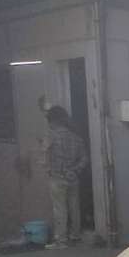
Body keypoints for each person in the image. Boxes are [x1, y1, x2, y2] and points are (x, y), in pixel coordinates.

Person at [42, 106, 88, 249]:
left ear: (53, 121)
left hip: (57, 177)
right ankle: (76, 237)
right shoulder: (76, 137)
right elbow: (85, 159)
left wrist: (48, 168)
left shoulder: (51, 136)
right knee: (74, 208)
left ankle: (61, 241)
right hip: (73, 177)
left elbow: (44, 154)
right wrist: (75, 170)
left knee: (60, 209)